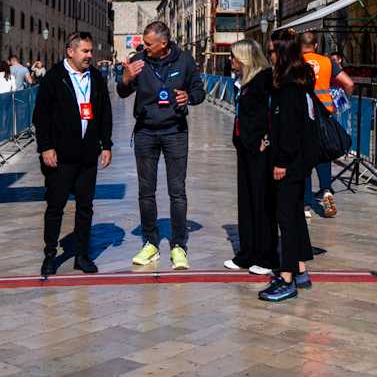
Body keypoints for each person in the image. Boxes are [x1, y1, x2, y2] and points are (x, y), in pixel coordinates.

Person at [117, 21, 205, 269]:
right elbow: (122, 92)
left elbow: (199, 91)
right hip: (145, 132)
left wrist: (189, 97)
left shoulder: (185, 61)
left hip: (175, 132)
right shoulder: (138, 60)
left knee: (177, 191)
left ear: (163, 43)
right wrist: (126, 78)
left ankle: (179, 245)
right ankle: (150, 243)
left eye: (148, 44)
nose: (143, 47)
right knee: (146, 191)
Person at [33, 33, 113, 277]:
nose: (90, 55)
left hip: (87, 155)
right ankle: (50, 255)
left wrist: (106, 145)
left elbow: (105, 112)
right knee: (55, 206)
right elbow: (41, 115)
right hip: (60, 155)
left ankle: (82, 255)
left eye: (90, 51)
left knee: (85, 207)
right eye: (85, 51)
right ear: (70, 51)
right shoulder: (54, 77)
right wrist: (46, 147)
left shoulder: (96, 77)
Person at [261, 33, 317, 302]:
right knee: (294, 215)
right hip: (298, 160)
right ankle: (301, 271)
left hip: (290, 162)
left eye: (272, 51)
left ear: (283, 54)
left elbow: (291, 129)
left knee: (286, 218)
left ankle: (286, 279)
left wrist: (281, 161)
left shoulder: (290, 87)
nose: (269, 56)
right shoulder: (297, 81)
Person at [224, 39, 276, 276]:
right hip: (244, 148)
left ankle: (266, 256)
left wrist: (267, 139)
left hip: (260, 151)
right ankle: (247, 253)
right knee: (246, 202)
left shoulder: (264, 79)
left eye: (233, 56)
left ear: (244, 58)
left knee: (261, 202)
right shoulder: (242, 82)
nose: (230, 60)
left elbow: (273, 112)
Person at [300, 32, 354, 218]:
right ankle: (326, 191)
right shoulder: (327, 62)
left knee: (304, 158)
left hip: (302, 114)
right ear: (315, 45)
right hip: (324, 114)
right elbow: (349, 83)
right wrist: (341, 104)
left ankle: (306, 205)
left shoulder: (295, 62)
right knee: (323, 154)